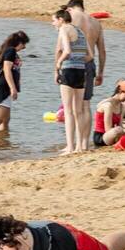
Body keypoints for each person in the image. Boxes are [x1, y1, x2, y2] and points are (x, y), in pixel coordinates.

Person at [53, 9, 92, 154]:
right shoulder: (80, 32)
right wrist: (78, 60)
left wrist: (59, 63)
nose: (53, 23)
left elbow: (67, 50)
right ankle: (80, 147)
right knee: (79, 111)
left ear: (61, 19)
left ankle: (70, 147)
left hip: (68, 70)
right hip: (80, 70)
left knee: (68, 111)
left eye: (54, 20)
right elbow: (90, 55)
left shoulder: (64, 29)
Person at [0, 31, 29, 136]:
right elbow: (7, 70)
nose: (24, 47)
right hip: (2, 88)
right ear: (18, 42)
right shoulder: (10, 51)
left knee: (5, 120)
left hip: (6, 89)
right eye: (24, 44)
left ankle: (3, 143)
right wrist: (13, 88)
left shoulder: (11, 52)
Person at [66, 0, 107, 101]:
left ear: (69, 9)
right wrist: (100, 73)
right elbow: (102, 51)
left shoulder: (70, 19)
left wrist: (57, 68)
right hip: (89, 63)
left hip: (74, 63)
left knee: (72, 104)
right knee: (85, 103)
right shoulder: (96, 23)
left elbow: (62, 46)